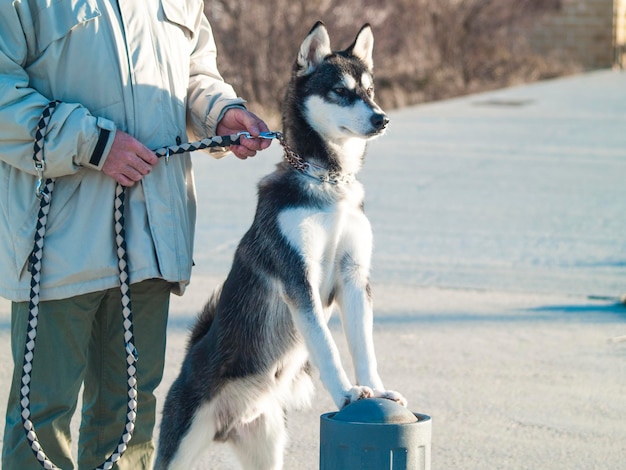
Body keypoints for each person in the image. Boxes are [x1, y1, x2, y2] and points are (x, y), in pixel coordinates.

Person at [0, 2, 270, 469]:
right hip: (59, 242)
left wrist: (219, 113)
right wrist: (92, 143)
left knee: (130, 416)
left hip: (150, 236)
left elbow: (194, 72)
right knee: (41, 420)